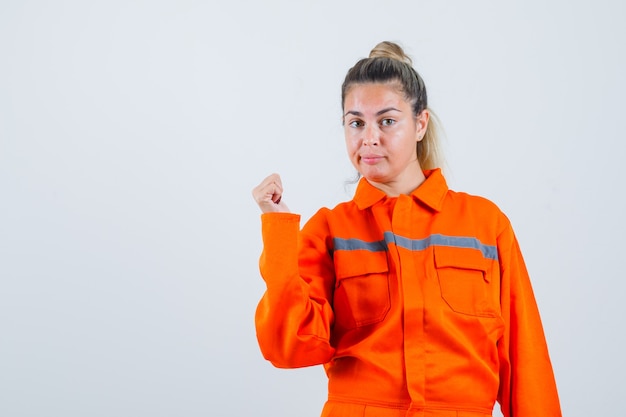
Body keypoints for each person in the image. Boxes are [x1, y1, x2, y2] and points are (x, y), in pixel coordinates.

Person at [251, 41, 561, 417]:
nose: (369, 138)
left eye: (387, 121)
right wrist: (278, 227)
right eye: (356, 122)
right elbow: (289, 345)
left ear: (420, 124)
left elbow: (525, 363)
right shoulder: (331, 229)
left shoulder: (485, 225)